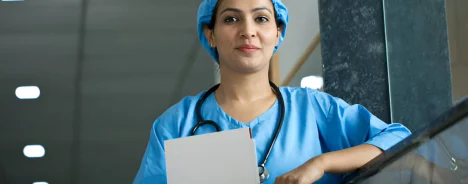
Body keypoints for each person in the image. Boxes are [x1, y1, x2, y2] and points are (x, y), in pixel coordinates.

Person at [132, 0, 412, 183]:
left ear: (278, 32)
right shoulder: (176, 124)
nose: (248, 31)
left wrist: (321, 163)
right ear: (211, 34)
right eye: (231, 19)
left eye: (262, 19)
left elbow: (398, 138)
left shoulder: (312, 109)